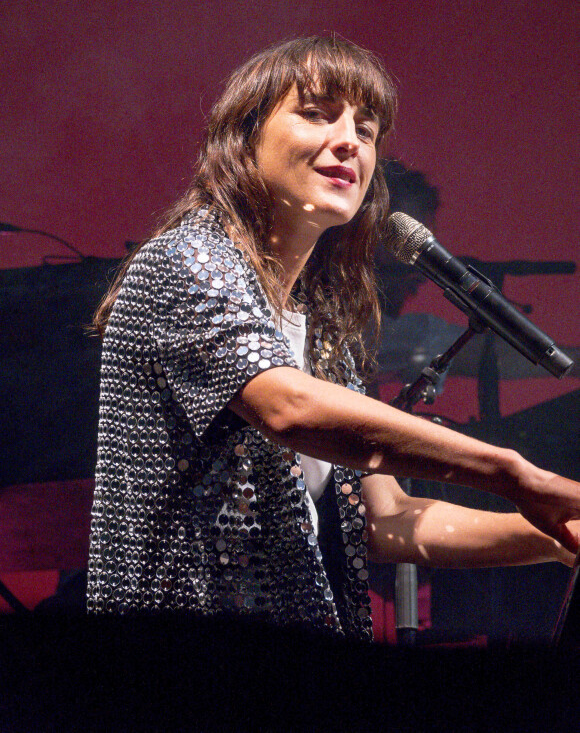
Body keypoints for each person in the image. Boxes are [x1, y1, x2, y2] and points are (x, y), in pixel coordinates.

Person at [87, 35, 579, 641]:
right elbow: (288, 409)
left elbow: (389, 518)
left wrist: (554, 539)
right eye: (317, 114)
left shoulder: (319, 325)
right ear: (243, 137)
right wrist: (514, 473)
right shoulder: (185, 261)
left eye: (366, 130)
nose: (350, 139)